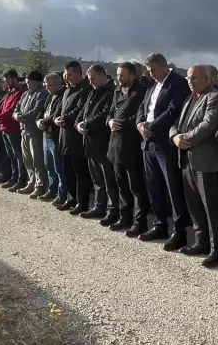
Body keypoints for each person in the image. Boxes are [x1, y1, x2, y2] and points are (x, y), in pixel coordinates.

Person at [170, 65, 218, 267]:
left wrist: (186, 139)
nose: (190, 81)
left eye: (194, 78)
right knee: (194, 204)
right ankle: (201, 242)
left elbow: (208, 124)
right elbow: (176, 122)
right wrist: (175, 136)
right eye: (188, 78)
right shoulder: (189, 98)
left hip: (206, 161)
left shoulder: (214, 97)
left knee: (212, 207)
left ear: (207, 78)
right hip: (186, 158)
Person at [136, 54, 192, 246]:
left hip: (165, 143)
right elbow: (143, 108)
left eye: (153, 70)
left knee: (172, 188)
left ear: (164, 65)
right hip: (148, 142)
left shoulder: (177, 83)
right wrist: (140, 124)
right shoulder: (152, 84)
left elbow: (173, 110)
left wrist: (150, 127)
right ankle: (159, 225)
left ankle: (179, 231)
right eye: (148, 71)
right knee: (154, 186)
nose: (150, 74)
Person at [107, 62, 149, 233]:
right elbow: (110, 112)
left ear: (132, 75)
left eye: (122, 75)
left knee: (136, 187)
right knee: (122, 185)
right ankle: (125, 217)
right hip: (115, 144)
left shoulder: (141, 92)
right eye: (117, 75)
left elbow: (140, 116)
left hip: (131, 145)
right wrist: (110, 121)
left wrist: (123, 123)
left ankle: (140, 222)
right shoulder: (117, 90)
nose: (119, 78)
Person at [79, 65, 118, 222]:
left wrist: (86, 124)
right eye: (89, 78)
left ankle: (112, 209)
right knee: (97, 178)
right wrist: (79, 123)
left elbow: (105, 114)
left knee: (108, 178)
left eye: (93, 78)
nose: (90, 81)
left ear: (102, 76)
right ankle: (98, 206)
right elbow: (84, 111)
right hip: (90, 141)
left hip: (103, 141)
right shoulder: (92, 92)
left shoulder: (111, 92)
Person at [56, 61, 93, 214]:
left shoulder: (86, 89)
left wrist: (65, 118)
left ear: (78, 73)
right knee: (67, 171)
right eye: (66, 74)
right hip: (64, 136)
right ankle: (71, 199)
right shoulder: (67, 90)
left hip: (77, 137)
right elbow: (60, 108)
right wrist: (57, 118)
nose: (67, 77)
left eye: (70, 74)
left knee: (80, 173)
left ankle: (81, 202)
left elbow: (80, 109)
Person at [15, 70, 50, 196]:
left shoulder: (42, 93)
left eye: (29, 81)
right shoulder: (25, 94)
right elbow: (17, 107)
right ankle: (31, 182)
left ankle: (40, 185)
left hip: (35, 131)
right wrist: (16, 115)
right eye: (26, 81)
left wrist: (21, 116)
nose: (27, 83)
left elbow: (37, 110)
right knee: (27, 159)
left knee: (37, 160)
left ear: (37, 82)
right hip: (24, 130)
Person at [0, 70, 25, 190]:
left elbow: (11, 110)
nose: (5, 83)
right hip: (4, 127)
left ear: (13, 78)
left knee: (18, 155)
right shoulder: (10, 93)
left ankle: (20, 179)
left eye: (7, 80)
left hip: (13, 128)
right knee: (11, 155)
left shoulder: (20, 92)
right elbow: (1, 107)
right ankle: (14, 177)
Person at [40, 73, 68, 202]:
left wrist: (43, 122)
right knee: (49, 166)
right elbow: (42, 111)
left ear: (57, 83)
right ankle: (52, 190)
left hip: (56, 136)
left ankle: (62, 194)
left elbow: (56, 114)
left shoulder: (63, 94)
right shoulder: (50, 95)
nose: (47, 88)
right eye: (46, 85)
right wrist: (37, 120)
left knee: (59, 168)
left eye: (50, 85)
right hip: (46, 135)